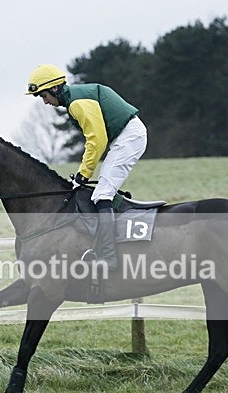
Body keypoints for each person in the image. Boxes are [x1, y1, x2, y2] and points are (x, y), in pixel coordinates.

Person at [26, 64, 147, 270]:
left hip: (129, 137)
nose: (45, 102)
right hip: (125, 137)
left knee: (102, 195)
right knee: (102, 191)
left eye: (44, 96)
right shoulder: (75, 99)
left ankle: (109, 257)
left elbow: (97, 140)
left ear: (55, 88)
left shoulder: (76, 103)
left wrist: (83, 174)